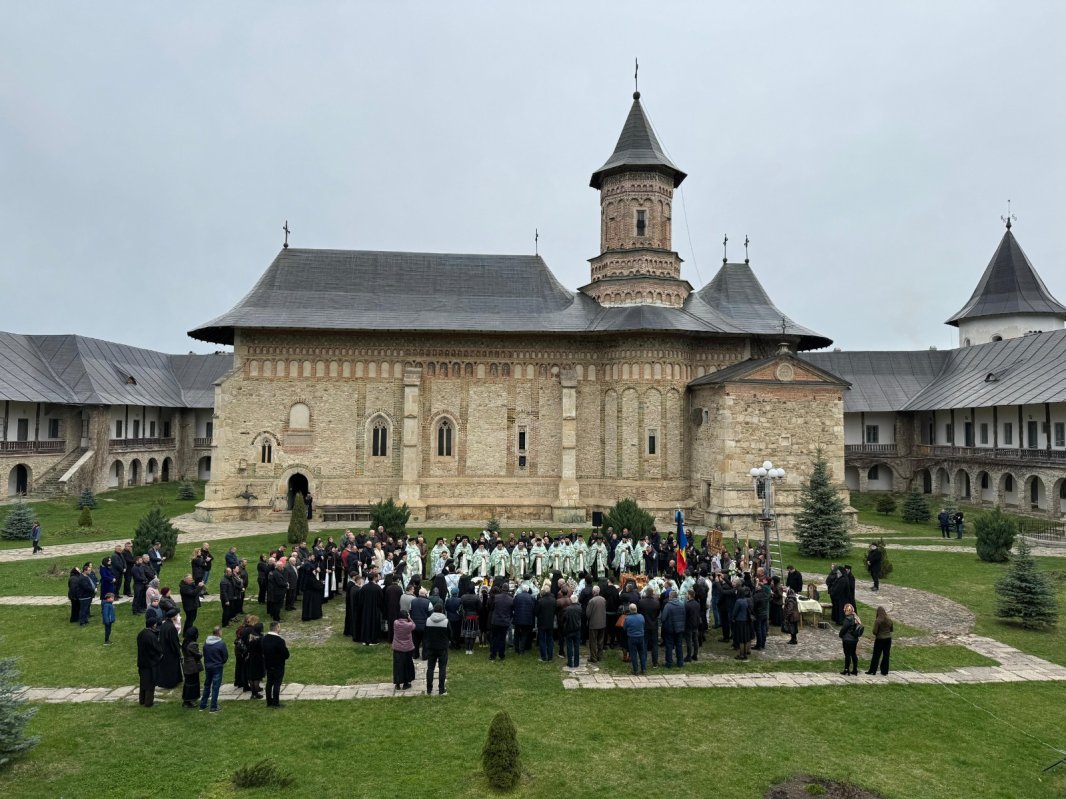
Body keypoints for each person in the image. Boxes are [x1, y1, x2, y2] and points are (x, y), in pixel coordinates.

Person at [424, 599, 450, 695]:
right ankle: (441, 689)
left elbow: (425, 633)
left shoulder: (428, 620)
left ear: (433, 610)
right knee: (442, 668)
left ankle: (429, 689)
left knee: (430, 668)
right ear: (442, 610)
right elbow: (450, 634)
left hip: (431, 646)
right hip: (442, 647)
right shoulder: (446, 621)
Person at [200, 626, 229, 712]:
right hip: (217, 667)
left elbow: (204, 654)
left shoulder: (206, 642)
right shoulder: (221, 643)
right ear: (219, 632)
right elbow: (225, 656)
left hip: (208, 666)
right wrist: (221, 662)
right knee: (215, 687)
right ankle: (213, 707)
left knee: (207, 685)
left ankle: (203, 705)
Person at [262, 621, 290, 708]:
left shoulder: (264, 638)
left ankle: (269, 702)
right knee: (277, 684)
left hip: (268, 664)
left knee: (269, 683)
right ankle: (275, 702)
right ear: (277, 628)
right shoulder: (279, 640)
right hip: (278, 665)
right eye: (279, 627)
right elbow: (286, 654)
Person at [136, 617, 163, 707]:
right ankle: (148, 702)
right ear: (153, 625)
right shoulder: (151, 636)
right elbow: (157, 649)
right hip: (150, 663)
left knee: (143, 682)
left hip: (142, 662)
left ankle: (142, 700)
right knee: (150, 684)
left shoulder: (141, 634)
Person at [155, 609, 183, 689]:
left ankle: (167, 682)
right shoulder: (171, 627)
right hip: (170, 651)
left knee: (166, 668)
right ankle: (171, 683)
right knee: (172, 668)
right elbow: (174, 642)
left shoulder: (164, 625)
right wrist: (178, 651)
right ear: (173, 617)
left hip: (164, 649)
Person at [488, 583, 513, 662]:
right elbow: (511, 611)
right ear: (508, 589)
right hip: (505, 621)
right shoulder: (511, 599)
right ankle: (501, 655)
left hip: (495, 621)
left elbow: (491, 608)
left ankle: (493, 655)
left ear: (502, 589)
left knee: (494, 638)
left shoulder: (496, 597)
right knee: (502, 639)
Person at [660, 589, 685, 668]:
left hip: (670, 629)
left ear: (671, 597)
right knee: (679, 645)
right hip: (680, 629)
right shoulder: (682, 605)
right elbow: (684, 616)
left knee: (669, 646)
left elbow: (663, 618)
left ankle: (669, 663)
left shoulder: (668, 606)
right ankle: (680, 662)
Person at [866, 606, 893, 676]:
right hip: (888, 639)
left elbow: (874, 631)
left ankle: (872, 670)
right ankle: (884, 671)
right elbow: (891, 629)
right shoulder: (889, 620)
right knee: (886, 655)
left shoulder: (878, 621)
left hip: (880, 639)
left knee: (876, 655)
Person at [392, 609, 416, 690]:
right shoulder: (409, 625)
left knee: (397, 665)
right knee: (407, 665)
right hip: (408, 648)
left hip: (397, 648)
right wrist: (410, 618)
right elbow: (414, 625)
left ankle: (397, 683)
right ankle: (406, 683)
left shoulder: (395, 623)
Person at [181, 626, 203, 708]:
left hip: (187, 666)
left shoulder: (185, 642)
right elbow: (197, 655)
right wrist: (201, 653)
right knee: (193, 684)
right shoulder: (192, 644)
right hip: (192, 667)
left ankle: (187, 700)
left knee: (188, 683)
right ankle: (190, 700)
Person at [244, 619, 266, 699]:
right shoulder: (259, 638)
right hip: (257, 658)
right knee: (257, 677)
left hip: (249, 657)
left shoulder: (250, 636)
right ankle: (256, 693)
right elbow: (262, 649)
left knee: (251, 676)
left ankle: (253, 693)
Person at [585, 585, 607, 664]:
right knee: (600, 641)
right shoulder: (603, 599)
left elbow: (588, 614)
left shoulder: (591, 601)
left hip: (593, 624)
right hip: (602, 623)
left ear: (593, 592)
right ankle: (599, 656)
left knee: (593, 641)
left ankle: (593, 657)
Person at [839, 603, 862, 676]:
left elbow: (844, 629)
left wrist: (840, 635)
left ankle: (846, 669)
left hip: (847, 640)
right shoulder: (856, 617)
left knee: (847, 655)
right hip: (854, 639)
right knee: (853, 653)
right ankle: (855, 669)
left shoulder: (848, 619)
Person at [730, 586, 752, 661]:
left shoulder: (738, 601)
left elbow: (735, 612)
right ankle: (745, 653)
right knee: (745, 638)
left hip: (739, 621)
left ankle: (742, 654)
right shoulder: (746, 600)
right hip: (746, 620)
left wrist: (733, 618)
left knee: (741, 639)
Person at [562, 594, 583, 669]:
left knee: (569, 646)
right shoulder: (580, 608)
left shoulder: (567, 609)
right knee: (576, 646)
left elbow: (564, 619)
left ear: (571, 600)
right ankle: (576, 663)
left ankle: (570, 662)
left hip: (569, 629)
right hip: (577, 629)